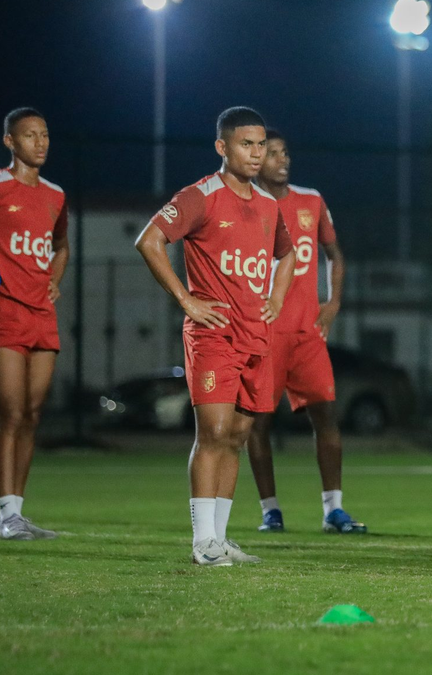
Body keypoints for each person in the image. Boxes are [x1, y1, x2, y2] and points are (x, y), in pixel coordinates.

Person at [135, 107, 296, 566]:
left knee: (239, 436)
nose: (256, 152)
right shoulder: (200, 196)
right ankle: (201, 542)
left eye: (261, 144)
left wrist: (278, 297)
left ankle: (220, 540)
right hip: (213, 335)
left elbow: (287, 254)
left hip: (255, 336)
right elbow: (148, 241)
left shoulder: (268, 204)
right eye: (247, 144)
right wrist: (187, 301)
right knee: (214, 433)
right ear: (222, 147)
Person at [246, 129, 364, 535]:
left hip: (307, 331)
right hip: (264, 331)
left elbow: (335, 254)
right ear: (257, 161)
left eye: (284, 152)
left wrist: (331, 304)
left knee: (325, 415)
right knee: (257, 423)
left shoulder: (311, 201)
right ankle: (270, 511)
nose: (283, 159)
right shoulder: (247, 204)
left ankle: (334, 509)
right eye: (273, 153)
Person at [0, 108, 69, 540]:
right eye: (30, 135)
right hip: (6, 311)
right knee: (11, 412)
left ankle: (16, 513)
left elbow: (61, 246)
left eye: (44, 134)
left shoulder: (56, 194)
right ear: (10, 141)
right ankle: (4, 514)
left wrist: (53, 280)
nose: (40, 142)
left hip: (42, 315)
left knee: (33, 414)